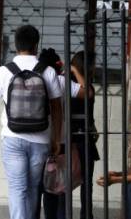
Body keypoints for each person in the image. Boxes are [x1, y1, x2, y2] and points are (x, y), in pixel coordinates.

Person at [0, 25, 63, 219]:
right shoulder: (48, 72)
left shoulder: (4, 71)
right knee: (32, 188)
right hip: (40, 139)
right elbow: (57, 109)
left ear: (15, 44)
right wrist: (55, 139)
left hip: (12, 137)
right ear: (36, 45)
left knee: (17, 188)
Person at [37, 48, 94, 219]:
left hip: (37, 139)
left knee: (44, 186)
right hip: (60, 141)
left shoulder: (33, 79)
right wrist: (74, 70)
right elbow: (88, 93)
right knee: (60, 185)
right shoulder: (60, 80)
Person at [67, 50, 99, 219]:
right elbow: (87, 92)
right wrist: (74, 71)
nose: (95, 68)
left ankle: (85, 215)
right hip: (75, 139)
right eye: (93, 65)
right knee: (82, 182)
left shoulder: (78, 85)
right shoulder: (71, 86)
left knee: (82, 181)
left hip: (80, 138)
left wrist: (73, 71)